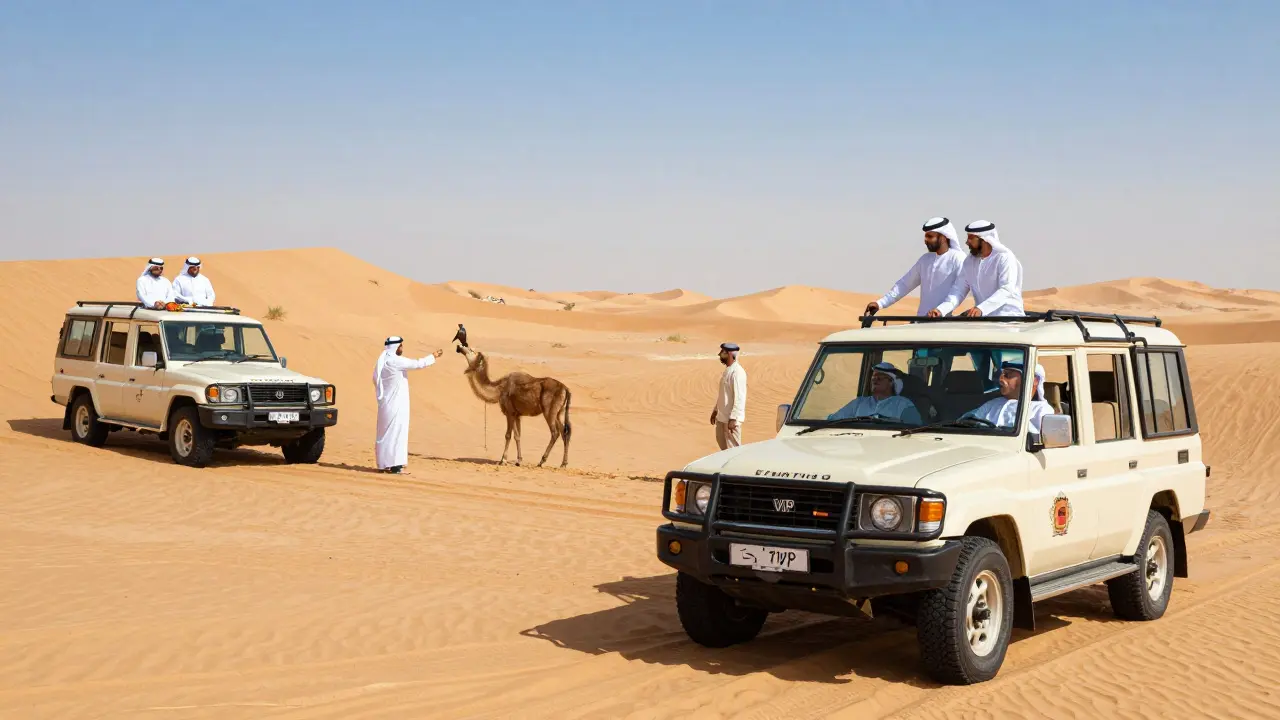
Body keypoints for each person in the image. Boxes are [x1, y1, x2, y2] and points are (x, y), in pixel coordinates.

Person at [865, 217, 967, 318]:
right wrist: (880, 303)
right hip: (920, 321)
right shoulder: (925, 260)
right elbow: (904, 285)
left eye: (930, 236)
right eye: (925, 237)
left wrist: (941, 310)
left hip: (944, 324)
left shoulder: (958, 258)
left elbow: (959, 292)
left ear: (944, 237)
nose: (925, 241)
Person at [373, 336, 444, 474]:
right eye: (400, 346)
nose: (402, 348)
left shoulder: (383, 360)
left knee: (385, 434)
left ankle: (384, 464)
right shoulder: (395, 361)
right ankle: (396, 466)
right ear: (396, 347)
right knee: (397, 434)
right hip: (396, 405)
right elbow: (418, 364)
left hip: (386, 405)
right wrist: (433, 356)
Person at [928, 220, 1024, 318]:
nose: (966, 242)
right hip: (984, 320)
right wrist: (941, 310)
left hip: (1009, 318)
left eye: (971, 238)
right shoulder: (969, 262)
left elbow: (1006, 290)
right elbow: (958, 291)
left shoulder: (1004, 258)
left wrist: (982, 309)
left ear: (984, 239)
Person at [960, 362, 1053, 433]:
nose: (1001, 379)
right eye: (1002, 374)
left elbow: (1036, 440)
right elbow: (966, 421)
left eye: (1007, 375)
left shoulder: (1042, 410)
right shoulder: (993, 404)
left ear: (1033, 380)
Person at [827, 361, 922, 424]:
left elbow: (917, 431)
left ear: (891, 382)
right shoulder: (858, 403)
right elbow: (833, 421)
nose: (875, 380)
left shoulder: (903, 405)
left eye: (880, 377)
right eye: (873, 377)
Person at [709, 342, 747, 450]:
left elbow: (739, 397)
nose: (719, 355)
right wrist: (716, 410)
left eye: (722, 352)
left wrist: (734, 419)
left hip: (730, 421)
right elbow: (724, 394)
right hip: (722, 418)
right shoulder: (728, 371)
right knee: (724, 451)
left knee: (733, 451)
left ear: (729, 354)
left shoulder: (737, 373)